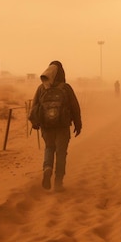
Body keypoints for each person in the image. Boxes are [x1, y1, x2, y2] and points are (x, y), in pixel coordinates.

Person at [30, 61, 82, 192]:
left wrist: (35, 122)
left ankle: (47, 168)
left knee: (49, 148)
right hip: (63, 126)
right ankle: (58, 183)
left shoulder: (42, 88)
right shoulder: (66, 88)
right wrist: (78, 124)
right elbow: (75, 107)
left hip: (46, 126)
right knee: (61, 153)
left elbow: (34, 107)